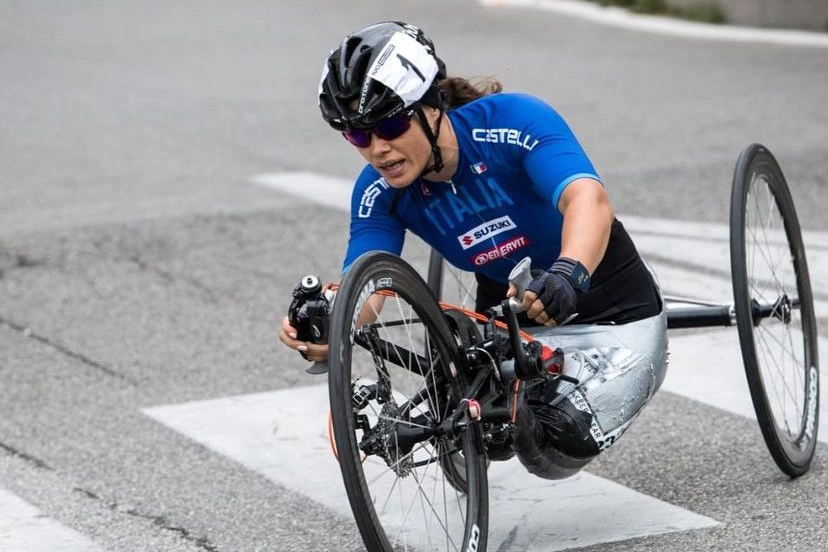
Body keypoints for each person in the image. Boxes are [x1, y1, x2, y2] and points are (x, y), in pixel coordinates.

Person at [279, 21, 668, 478]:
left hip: (611, 304)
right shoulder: (379, 192)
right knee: (490, 430)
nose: (378, 150)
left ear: (433, 105)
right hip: (514, 319)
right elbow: (365, 287)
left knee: (553, 446)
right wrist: (328, 324)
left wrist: (568, 273)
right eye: (359, 136)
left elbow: (589, 200)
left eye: (389, 124)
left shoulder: (513, 122)